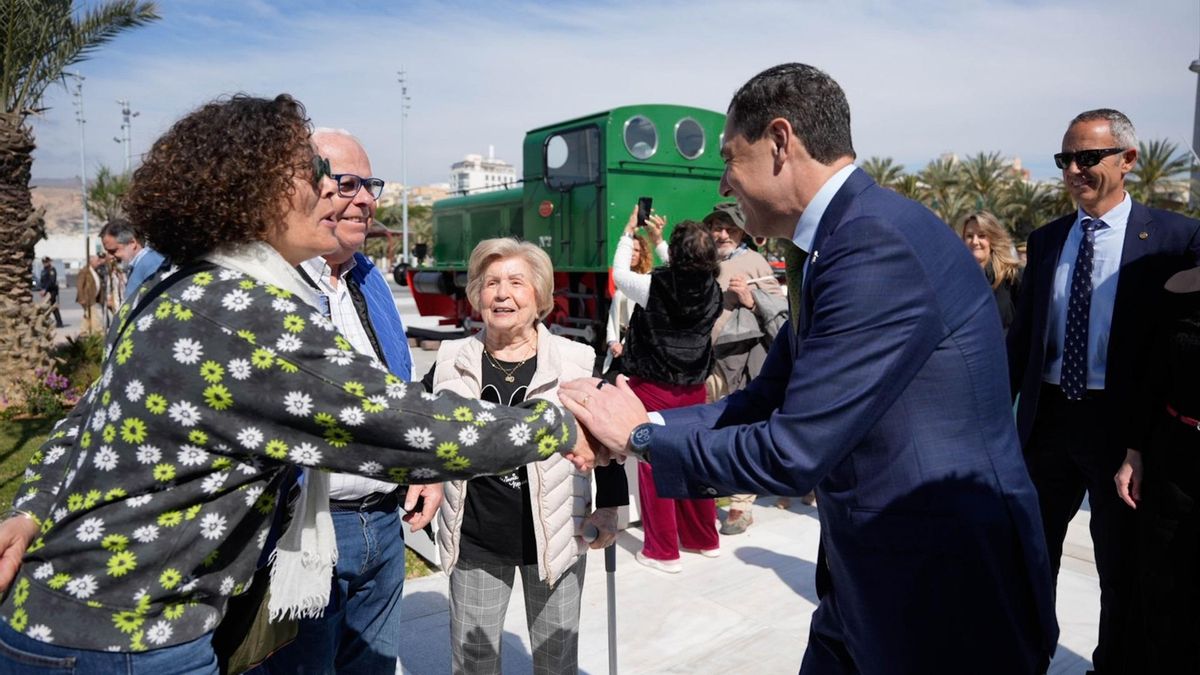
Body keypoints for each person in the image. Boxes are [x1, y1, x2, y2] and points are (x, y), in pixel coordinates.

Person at [0, 94, 595, 672]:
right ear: (257, 191)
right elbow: (402, 424)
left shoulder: (180, 283)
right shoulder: (243, 309)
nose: (328, 189)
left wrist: (28, 512)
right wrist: (560, 422)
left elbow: (88, 418)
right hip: (128, 638)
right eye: (312, 172)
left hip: (65, 617)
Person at [561, 63, 1058, 673]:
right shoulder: (835, 241)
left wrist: (636, 438)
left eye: (729, 159)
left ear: (778, 142)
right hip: (869, 574)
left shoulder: (874, 243)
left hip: (939, 586)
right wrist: (650, 428)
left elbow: (794, 447)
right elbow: (766, 396)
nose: (722, 183)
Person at [1008, 108, 1200, 674]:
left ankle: (1111, 665)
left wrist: (1142, 442)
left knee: (1120, 567)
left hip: (1122, 432)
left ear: (1128, 160)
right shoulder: (1045, 241)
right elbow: (1021, 342)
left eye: (1087, 157)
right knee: (1029, 558)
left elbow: (1174, 353)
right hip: (1046, 424)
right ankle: (1026, 656)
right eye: (1065, 159)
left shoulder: (1175, 238)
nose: (1074, 169)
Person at [257, 128, 439, 674]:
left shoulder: (368, 279)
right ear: (303, 188)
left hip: (382, 525)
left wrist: (422, 467)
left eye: (371, 185)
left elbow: (396, 389)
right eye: (349, 183)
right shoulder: (270, 283)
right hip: (300, 532)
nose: (366, 199)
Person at [423, 237, 626, 675]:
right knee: (473, 661)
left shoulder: (575, 360)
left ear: (540, 296)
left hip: (555, 537)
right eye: (491, 282)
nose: (502, 293)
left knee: (556, 662)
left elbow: (606, 439)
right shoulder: (450, 361)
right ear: (476, 294)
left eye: (517, 282)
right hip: (476, 536)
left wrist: (610, 506)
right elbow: (418, 427)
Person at [612, 208, 722, 573]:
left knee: (653, 463)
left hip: (655, 387)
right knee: (694, 460)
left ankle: (662, 550)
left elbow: (620, 276)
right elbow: (687, 275)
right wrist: (659, 243)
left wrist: (629, 233)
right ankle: (703, 538)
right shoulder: (713, 291)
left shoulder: (653, 286)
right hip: (694, 389)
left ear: (677, 254)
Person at [1114, 265, 1200, 672]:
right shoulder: (1178, 289)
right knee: (1162, 587)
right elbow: (1151, 379)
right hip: (1174, 458)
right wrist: (1134, 453)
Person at [704, 202, 787, 535]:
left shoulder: (753, 261)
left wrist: (751, 299)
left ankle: (741, 505)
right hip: (710, 365)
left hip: (743, 362)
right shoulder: (707, 261)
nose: (722, 234)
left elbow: (780, 309)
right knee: (715, 429)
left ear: (742, 232)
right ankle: (721, 494)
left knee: (742, 430)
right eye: (717, 227)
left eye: (731, 228)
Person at [603, 229, 658, 375]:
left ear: (642, 254)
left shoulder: (647, 279)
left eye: (637, 250)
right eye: (630, 250)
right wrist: (612, 342)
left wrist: (625, 345)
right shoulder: (622, 280)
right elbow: (612, 317)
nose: (633, 254)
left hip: (636, 344)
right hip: (618, 345)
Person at [959, 211, 1021, 332]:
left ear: (993, 239)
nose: (975, 241)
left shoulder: (1013, 276)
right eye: (969, 236)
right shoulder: (957, 279)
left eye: (982, 235)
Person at [101, 218, 167, 304]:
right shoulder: (137, 265)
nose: (109, 257)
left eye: (113, 251)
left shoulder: (152, 265)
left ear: (132, 243)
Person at [75, 253, 103, 332]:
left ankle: (83, 332)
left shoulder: (94, 271)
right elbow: (79, 285)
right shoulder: (85, 271)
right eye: (97, 261)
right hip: (87, 299)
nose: (99, 262)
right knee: (94, 316)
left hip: (92, 298)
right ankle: (98, 332)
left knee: (88, 316)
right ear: (91, 261)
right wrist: (81, 298)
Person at [37, 257, 63, 328]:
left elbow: (51, 281)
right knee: (52, 307)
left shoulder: (52, 270)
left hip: (51, 291)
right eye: (44, 262)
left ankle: (57, 322)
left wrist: (45, 289)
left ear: (49, 262)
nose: (45, 264)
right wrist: (41, 289)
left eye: (46, 262)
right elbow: (42, 282)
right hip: (46, 292)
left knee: (49, 307)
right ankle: (57, 322)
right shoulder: (44, 271)